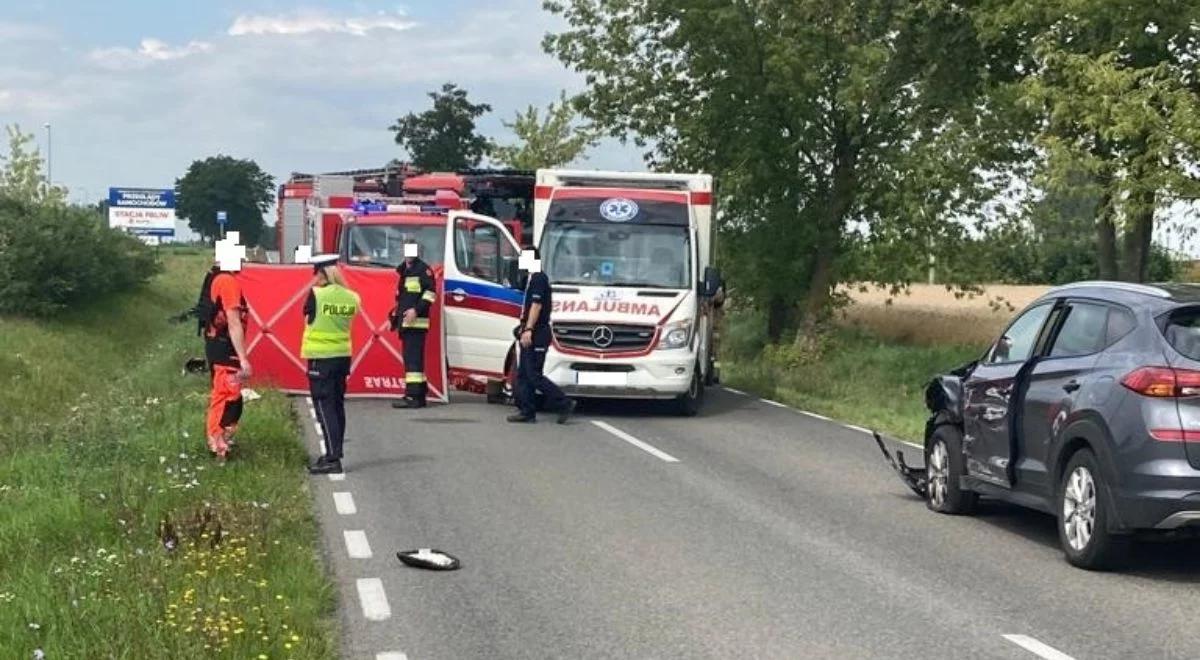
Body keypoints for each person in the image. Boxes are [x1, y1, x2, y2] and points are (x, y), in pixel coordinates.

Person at [302, 254, 361, 475]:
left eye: (315, 274)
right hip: (342, 357)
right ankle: (335, 452)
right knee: (336, 405)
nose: (314, 279)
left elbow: (306, 315)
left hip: (321, 357)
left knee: (324, 408)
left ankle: (332, 458)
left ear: (322, 273)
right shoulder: (352, 297)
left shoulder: (317, 294)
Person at [508, 246, 576, 424]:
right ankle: (527, 411)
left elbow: (536, 306)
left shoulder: (539, 278)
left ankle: (564, 402)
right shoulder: (531, 278)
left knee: (533, 374)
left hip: (538, 332)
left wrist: (529, 329)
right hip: (530, 330)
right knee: (523, 374)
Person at [201, 254, 250, 463]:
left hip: (217, 345)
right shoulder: (228, 282)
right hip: (225, 347)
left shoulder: (214, 278)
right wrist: (243, 358)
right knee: (227, 398)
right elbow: (234, 321)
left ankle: (219, 441)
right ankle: (218, 446)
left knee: (226, 396)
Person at [391, 239, 436, 409]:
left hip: (417, 323)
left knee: (413, 363)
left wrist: (416, 310)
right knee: (412, 361)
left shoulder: (423, 270)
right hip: (407, 323)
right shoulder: (404, 271)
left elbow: (431, 294)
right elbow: (403, 299)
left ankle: (413, 397)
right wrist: (395, 318)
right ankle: (420, 394)